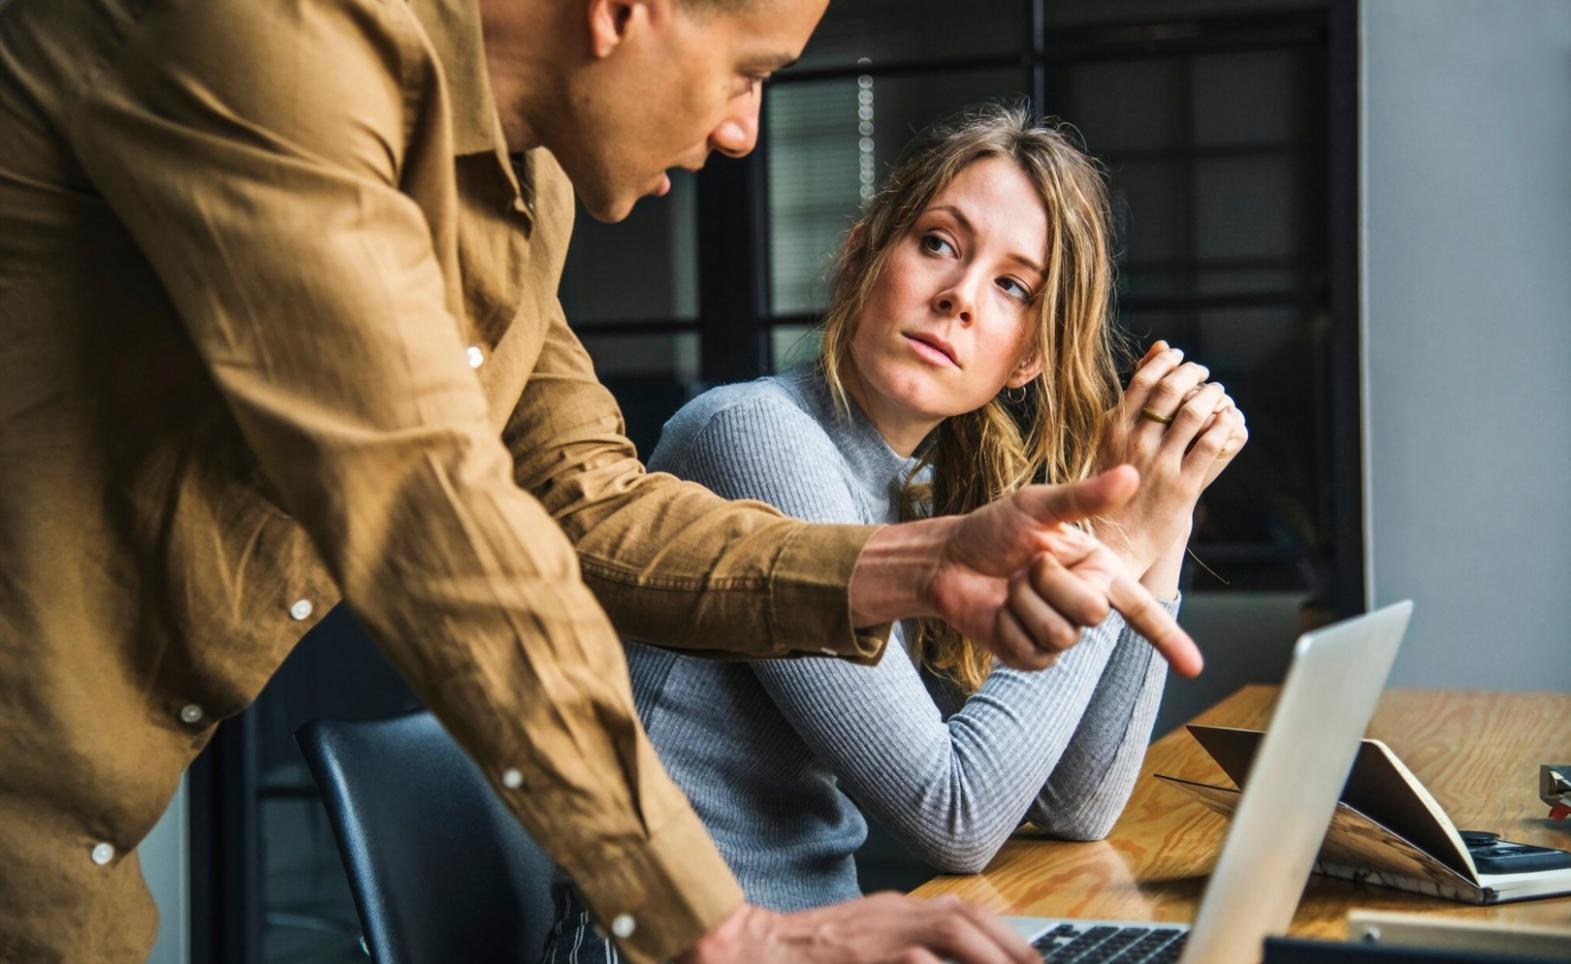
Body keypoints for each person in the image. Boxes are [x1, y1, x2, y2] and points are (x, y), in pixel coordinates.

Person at [0, 1, 1198, 962]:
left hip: (76, 847)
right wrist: (712, 926)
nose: (741, 131)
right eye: (749, 71)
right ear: (628, 10)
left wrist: (926, 563)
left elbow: (590, 504)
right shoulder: (275, 37)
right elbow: (428, 508)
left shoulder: (527, 194)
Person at [546, 104, 1249, 959]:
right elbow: (955, 815)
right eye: (939, 243)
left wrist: (1161, 511)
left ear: (1026, 356)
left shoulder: (921, 492)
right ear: (862, 255)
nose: (957, 297)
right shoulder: (751, 436)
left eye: (1012, 286)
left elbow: (1076, 806)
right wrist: (1119, 545)